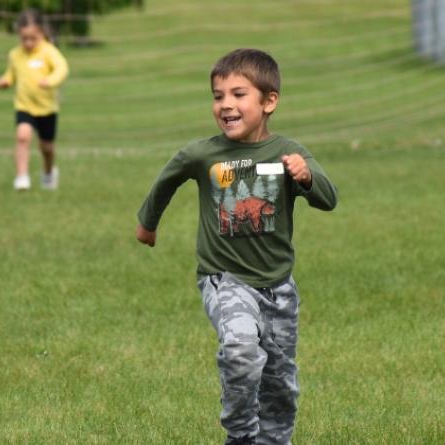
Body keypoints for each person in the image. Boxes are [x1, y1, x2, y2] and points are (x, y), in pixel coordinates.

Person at [135, 49, 338, 445]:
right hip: (224, 279)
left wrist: (307, 175)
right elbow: (167, 179)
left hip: (278, 288)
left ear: (269, 101)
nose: (225, 104)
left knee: (279, 382)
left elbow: (328, 199)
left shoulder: (288, 154)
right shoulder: (203, 154)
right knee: (241, 348)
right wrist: (148, 223)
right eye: (217, 96)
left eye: (238, 94)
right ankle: (241, 437)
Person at [0, 9, 69, 191]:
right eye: (24, 38)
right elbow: (12, 74)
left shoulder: (49, 52)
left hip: (47, 108)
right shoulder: (15, 55)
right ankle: (22, 177)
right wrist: (5, 81)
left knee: (47, 147)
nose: (28, 43)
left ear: (42, 32)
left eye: (33, 38)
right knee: (22, 136)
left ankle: (49, 172)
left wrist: (50, 80)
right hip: (24, 106)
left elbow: (62, 68)